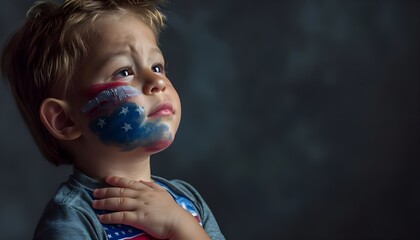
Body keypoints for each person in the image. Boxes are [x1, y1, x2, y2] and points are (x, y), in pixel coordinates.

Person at [1, 0, 225, 239]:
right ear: (64, 120)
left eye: (157, 67)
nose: (157, 82)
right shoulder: (73, 219)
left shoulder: (187, 202)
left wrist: (178, 224)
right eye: (124, 72)